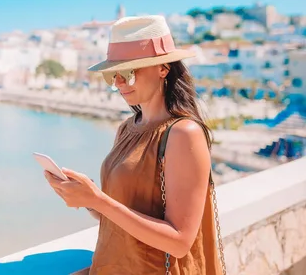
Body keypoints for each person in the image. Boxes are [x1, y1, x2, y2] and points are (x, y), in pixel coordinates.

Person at [44, 15, 225, 274]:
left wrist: (100, 200)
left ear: (163, 68)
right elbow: (118, 217)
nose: (118, 83)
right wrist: (87, 199)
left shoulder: (184, 134)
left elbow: (179, 242)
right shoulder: (127, 128)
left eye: (128, 72)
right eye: (113, 74)